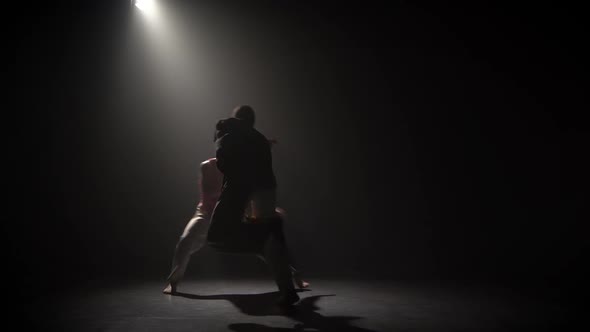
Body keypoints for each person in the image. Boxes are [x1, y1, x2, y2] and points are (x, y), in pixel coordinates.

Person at [206, 107, 300, 305]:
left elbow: (224, 165)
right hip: (264, 188)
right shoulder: (257, 138)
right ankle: (285, 284)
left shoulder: (230, 135)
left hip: (246, 188)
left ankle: (267, 239)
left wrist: (220, 141)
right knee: (267, 238)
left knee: (219, 236)